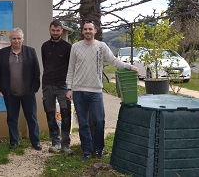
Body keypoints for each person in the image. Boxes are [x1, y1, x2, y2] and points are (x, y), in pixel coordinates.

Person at [66, 21, 138, 162]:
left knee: (99, 120)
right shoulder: (75, 47)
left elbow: (113, 60)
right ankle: (86, 151)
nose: (88, 31)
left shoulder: (101, 46)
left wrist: (128, 66)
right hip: (79, 91)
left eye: (90, 29)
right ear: (82, 31)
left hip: (96, 91)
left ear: (95, 31)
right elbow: (71, 69)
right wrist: (69, 88)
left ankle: (99, 149)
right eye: (85, 29)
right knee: (83, 122)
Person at [0, 27, 42, 150]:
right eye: (14, 38)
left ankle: (35, 141)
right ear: (10, 39)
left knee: (31, 117)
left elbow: (36, 73)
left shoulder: (30, 52)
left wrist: (33, 89)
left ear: (23, 39)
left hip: (28, 93)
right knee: (11, 118)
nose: (16, 41)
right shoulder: (2, 53)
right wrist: (4, 90)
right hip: (10, 94)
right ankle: (14, 141)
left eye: (19, 38)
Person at [41, 20, 72, 154]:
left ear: (61, 31)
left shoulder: (67, 47)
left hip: (62, 86)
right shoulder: (45, 46)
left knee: (65, 114)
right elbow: (45, 64)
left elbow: (71, 68)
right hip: (47, 85)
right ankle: (55, 142)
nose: (55, 33)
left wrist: (70, 87)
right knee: (50, 114)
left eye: (58, 30)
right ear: (50, 30)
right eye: (53, 30)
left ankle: (66, 144)